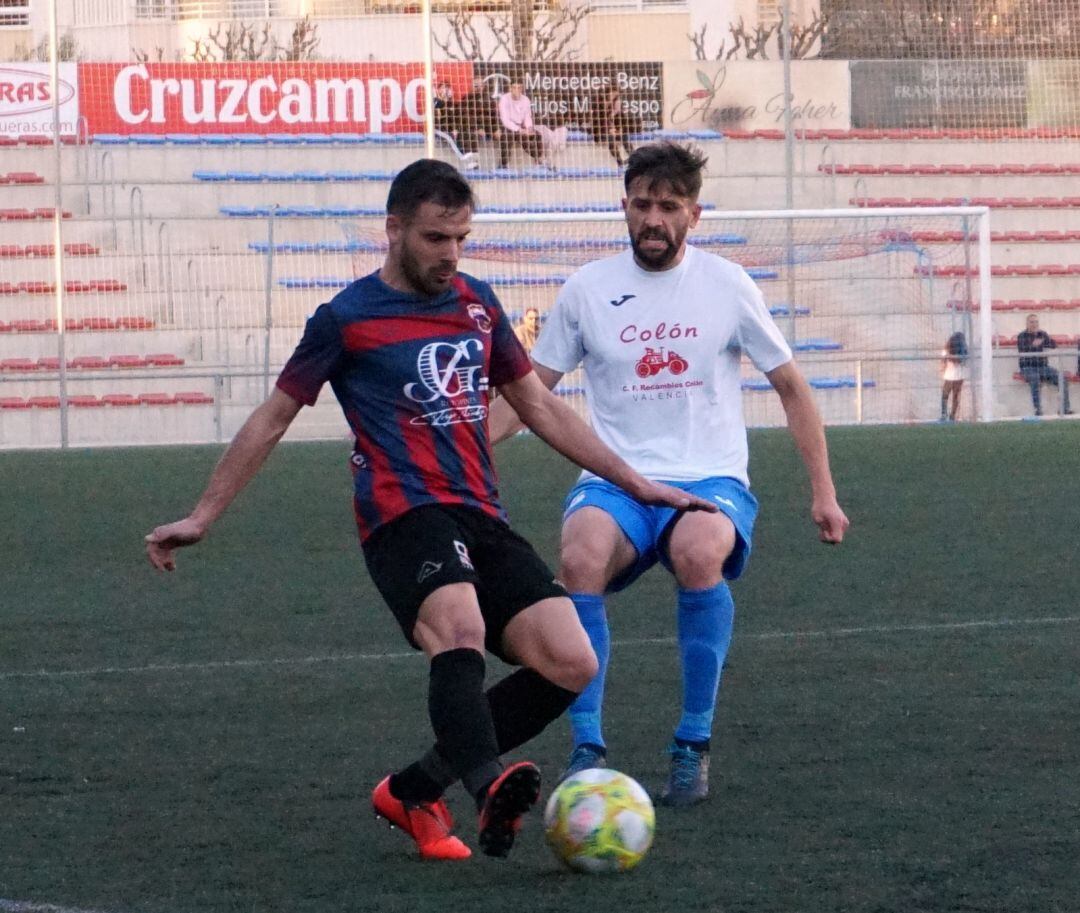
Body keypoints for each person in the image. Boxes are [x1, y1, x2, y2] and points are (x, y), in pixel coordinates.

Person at [144, 159, 715, 861]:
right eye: (436, 238)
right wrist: (203, 514)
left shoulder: (477, 303)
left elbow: (537, 405)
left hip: (479, 511)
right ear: (395, 230)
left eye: (460, 239)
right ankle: (487, 786)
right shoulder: (346, 319)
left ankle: (415, 787)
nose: (450, 254)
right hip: (401, 515)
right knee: (461, 626)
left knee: (573, 659)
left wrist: (636, 481)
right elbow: (273, 416)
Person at [488, 142, 849, 806]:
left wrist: (823, 492)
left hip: (707, 479)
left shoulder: (728, 284)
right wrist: (466, 448)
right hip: (616, 478)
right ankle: (588, 746)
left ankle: (692, 740)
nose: (653, 218)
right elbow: (530, 394)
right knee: (581, 553)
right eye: (642, 204)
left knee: (697, 547)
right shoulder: (587, 289)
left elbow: (793, 387)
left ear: (694, 214)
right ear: (624, 206)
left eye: (668, 206)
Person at [1017, 313, 1072, 416]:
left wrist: (1044, 340)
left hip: (1043, 367)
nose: (1034, 324)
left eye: (1036, 322)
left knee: (1062, 378)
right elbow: (1023, 350)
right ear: (1027, 324)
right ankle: (1037, 410)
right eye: (1032, 322)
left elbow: (1054, 345)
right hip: (1027, 368)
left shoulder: (1042, 334)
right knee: (1035, 378)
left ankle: (1065, 409)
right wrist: (1033, 345)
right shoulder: (1021, 336)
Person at [497, 79, 544, 169]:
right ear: (510, 88)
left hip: (521, 127)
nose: (517, 90)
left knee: (537, 135)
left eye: (519, 88)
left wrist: (529, 128)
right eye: (514, 87)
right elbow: (505, 120)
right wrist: (519, 130)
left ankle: (538, 159)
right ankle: (503, 164)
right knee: (506, 138)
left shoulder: (525, 99)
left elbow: (527, 116)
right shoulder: (504, 99)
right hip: (508, 127)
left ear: (522, 89)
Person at [590, 85, 637, 167]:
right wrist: (609, 128)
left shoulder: (617, 102)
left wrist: (618, 128)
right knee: (611, 142)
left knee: (625, 140)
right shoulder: (601, 103)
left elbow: (620, 115)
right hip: (606, 126)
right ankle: (620, 161)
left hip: (617, 124)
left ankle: (635, 158)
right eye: (613, 93)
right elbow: (600, 119)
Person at [940, 331, 968, 421]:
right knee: (950, 396)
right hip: (954, 376)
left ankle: (948, 415)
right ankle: (948, 415)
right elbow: (944, 359)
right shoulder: (951, 349)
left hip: (953, 376)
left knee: (949, 396)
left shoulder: (953, 350)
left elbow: (945, 359)